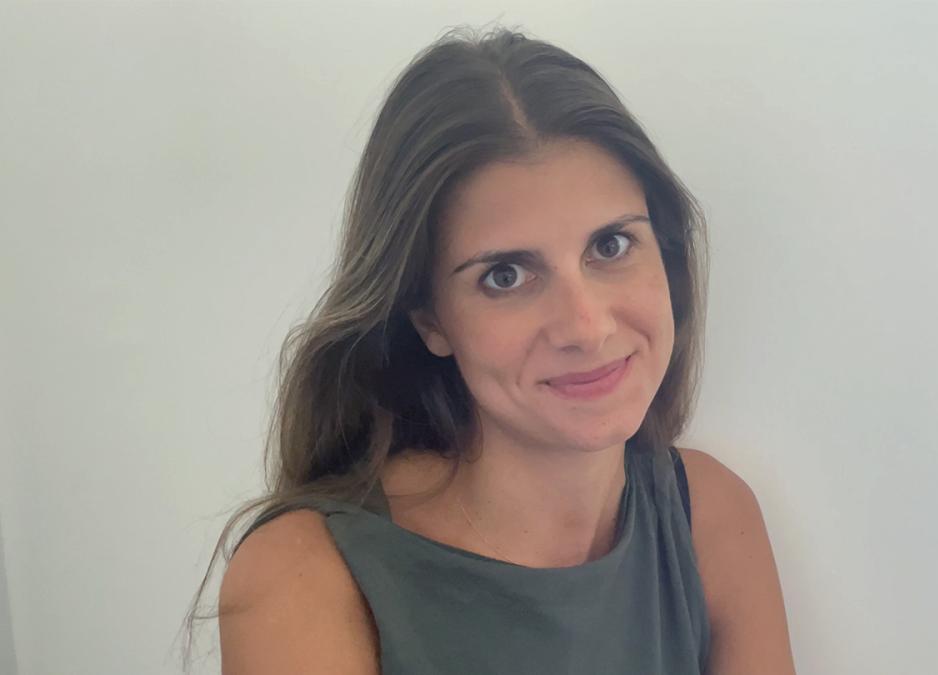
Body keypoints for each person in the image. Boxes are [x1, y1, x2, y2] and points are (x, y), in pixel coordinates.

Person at [183, 25, 795, 675]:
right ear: (429, 318)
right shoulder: (304, 577)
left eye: (611, 245)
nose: (586, 326)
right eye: (506, 275)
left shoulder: (711, 517)